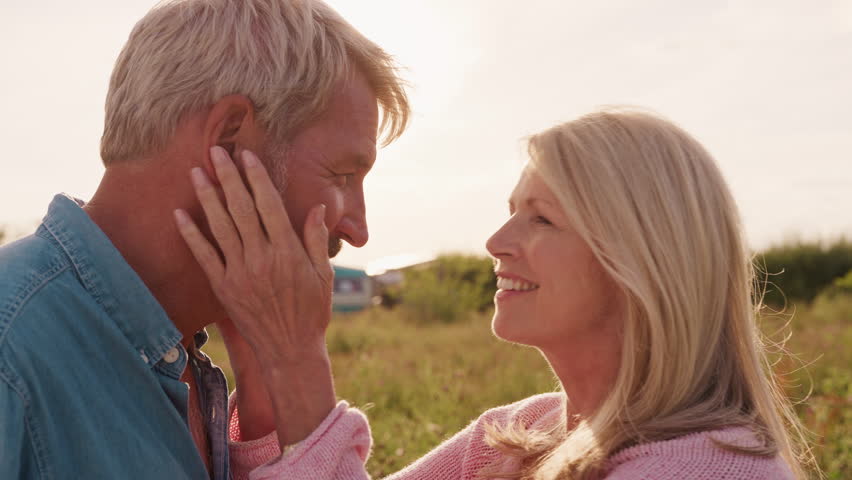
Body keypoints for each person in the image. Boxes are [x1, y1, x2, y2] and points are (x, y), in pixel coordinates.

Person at [180, 109, 818, 479]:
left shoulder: (702, 469)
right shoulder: (524, 430)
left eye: (542, 218)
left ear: (640, 261)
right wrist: (262, 372)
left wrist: (297, 359)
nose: (495, 241)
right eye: (511, 212)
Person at [0, 0, 409, 478]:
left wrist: (271, 392)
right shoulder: (12, 360)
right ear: (230, 139)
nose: (358, 231)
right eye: (341, 175)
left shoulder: (185, 360)